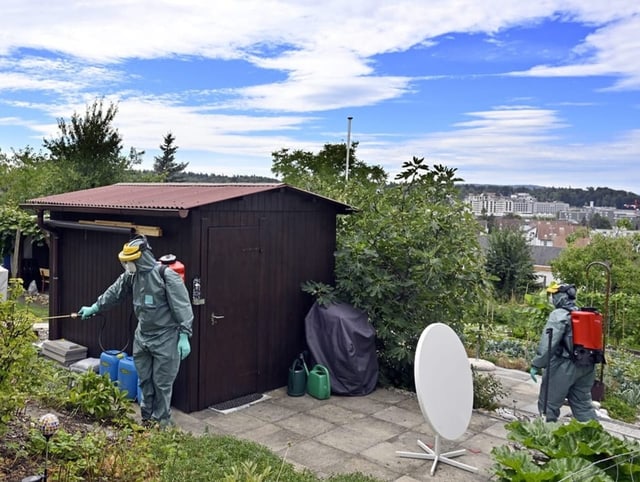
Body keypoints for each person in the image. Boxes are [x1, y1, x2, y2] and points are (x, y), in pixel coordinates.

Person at [78, 235, 193, 428]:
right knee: (145, 381)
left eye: (130, 261)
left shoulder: (165, 276)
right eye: (126, 262)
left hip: (166, 337)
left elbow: (183, 306)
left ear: (141, 257)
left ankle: (162, 423)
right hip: (143, 336)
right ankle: (147, 420)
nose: (127, 265)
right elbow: (114, 293)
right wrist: (95, 307)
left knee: (162, 384)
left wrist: (184, 335)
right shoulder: (131, 276)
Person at [529, 282, 597, 422]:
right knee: (583, 405)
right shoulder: (581, 314)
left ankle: (545, 436)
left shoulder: (559, 315)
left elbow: (549, 341)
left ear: (561, 296)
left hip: (563, 366)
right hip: (586, 365)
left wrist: (537, 364)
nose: (552, 298)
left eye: (554, 295)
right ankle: (594, 436)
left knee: (549, 404)